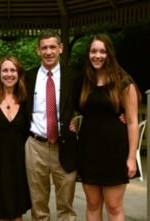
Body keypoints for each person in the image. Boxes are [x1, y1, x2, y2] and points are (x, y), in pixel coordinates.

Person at [77, 33, 141, 221]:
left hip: (115, 153)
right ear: (88, 54)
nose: (98, 56)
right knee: (93, 205)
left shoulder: (123, 82)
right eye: (94, 51)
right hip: (88, 152)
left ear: (109, 54)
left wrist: (131, 157)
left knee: (114, 207)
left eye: (103, 51)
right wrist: (73, 122)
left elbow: (132, 122)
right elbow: (75, 108)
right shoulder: (85, 81)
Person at [25, 29, 82, 221]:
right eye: (44, 48)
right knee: (38, 204)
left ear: (61, 48)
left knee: (65, 204)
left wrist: (120, 115)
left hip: (64, 145)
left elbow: (88, 104)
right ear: (38, 51)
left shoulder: (74, 77)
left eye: (52, 47)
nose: (48, 52)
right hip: (35, 146)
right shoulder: (28, 77)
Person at [0, 56, 31, 221]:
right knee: (2, 210)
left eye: (13, 70)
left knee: (17, 212)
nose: (9, 74)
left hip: (20, 162)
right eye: (5, 70)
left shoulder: (26, 99)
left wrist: (71, 122)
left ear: (19, 74)